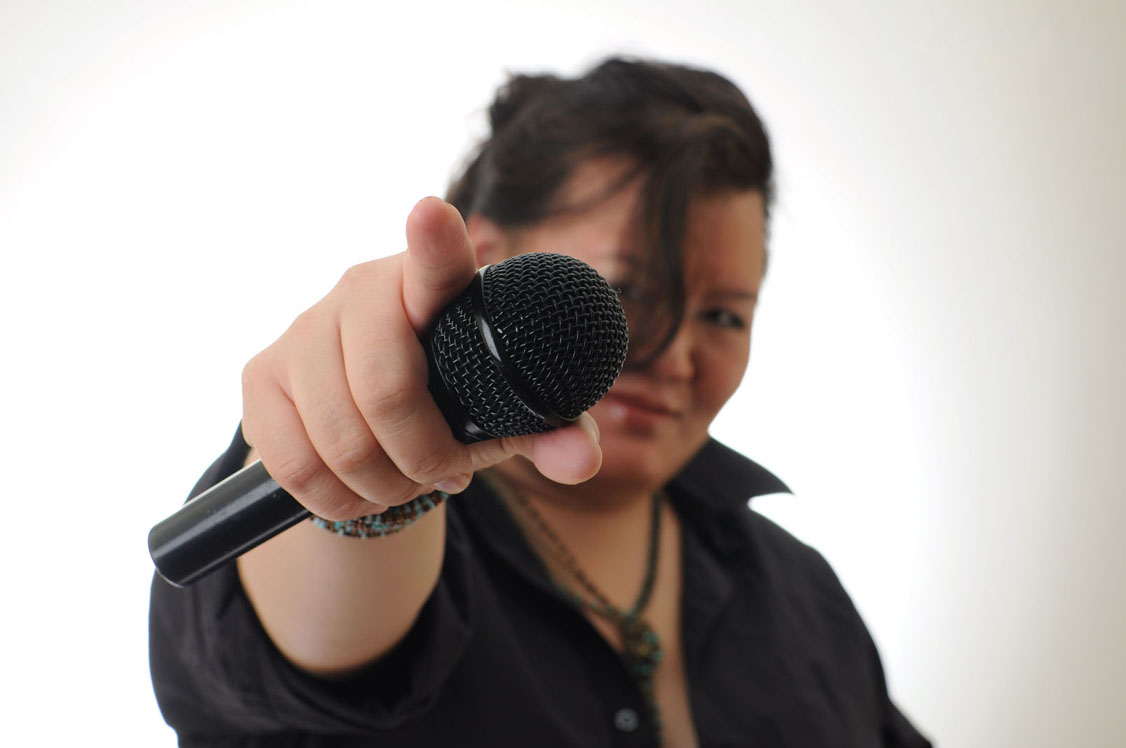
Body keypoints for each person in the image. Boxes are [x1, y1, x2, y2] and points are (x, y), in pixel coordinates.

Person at [150, 57, 932, 747]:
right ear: (488, 259)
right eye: (627, 291)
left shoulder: (800, 588)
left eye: (724, 316)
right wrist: (355, 473)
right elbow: (321, 616)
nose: (675, 358)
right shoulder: (391, 542)